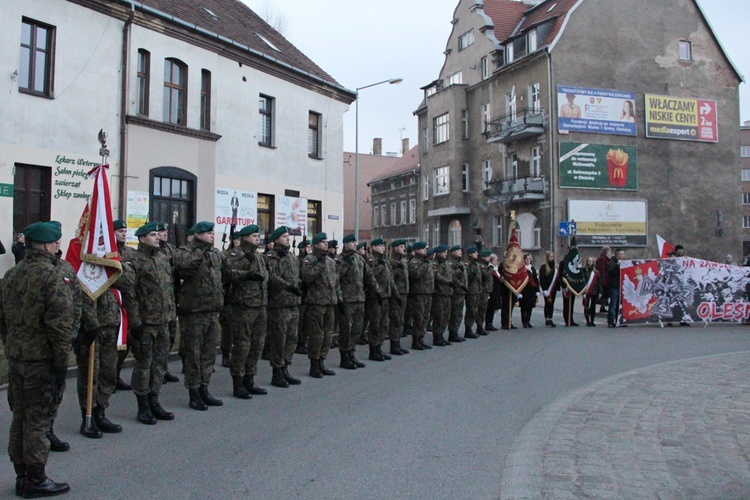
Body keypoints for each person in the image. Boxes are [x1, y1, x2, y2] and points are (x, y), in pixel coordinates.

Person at [0, 222, 73, 498]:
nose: (57, 246)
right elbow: (60, 324)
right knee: (38, 420)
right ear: (44, 245)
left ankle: (22, 476)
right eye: (55, 242)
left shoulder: (11, 274)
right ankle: (36, 478)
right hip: (41, 359)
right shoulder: (52, 276)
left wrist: (11, 344)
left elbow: (3, 319)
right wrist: (61, 361)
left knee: (20, 417)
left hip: (17, 356)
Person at [75, 222, 134, 438]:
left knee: (108, 372)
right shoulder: (85, 260)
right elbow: (80, 293)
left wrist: (113, 266)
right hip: (92, 326)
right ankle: (87, 416)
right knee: (90, 373)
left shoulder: (114, 259)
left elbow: (129, 282)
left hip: (112, 323)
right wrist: (90, 324)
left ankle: (101, 412)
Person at [125, 222, 176, 425]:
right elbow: (130, 294)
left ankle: (154, 399)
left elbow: (168, 289)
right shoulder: (133, 261)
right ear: (141, 238)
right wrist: (135, 322)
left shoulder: (162, 258)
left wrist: (171, 314)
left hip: (163, 320)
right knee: (144, 364)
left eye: (158, 234)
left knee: (160, 363)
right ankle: (142, 405)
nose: (157, 237)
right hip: (145, 322)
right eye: (152, 234)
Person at [173, 222, 225, 409]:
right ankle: (193, 391)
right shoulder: (184, 252)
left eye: (212, 233)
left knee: (208, 354)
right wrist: (199, 250)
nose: (212, 235)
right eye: (208, 233)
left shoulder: (214, 253)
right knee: (193, 354)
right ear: (197, 235)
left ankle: (204, 387)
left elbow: (224, 271)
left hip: (212, 310)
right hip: (194, 311)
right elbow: (184, 266)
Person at [223, 224, 270, 399]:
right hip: (243, 306)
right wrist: (246, 267)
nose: (257, 239)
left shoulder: (259, 256)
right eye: (254, 236)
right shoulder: (237, 254)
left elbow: (266, 276)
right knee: (242, 345)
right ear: (244, 238)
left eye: (258, 236)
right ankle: (238, 382)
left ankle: (250, 379)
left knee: (257, 344)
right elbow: (227, 272)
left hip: (260, 306)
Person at [265, 226, 303, 388]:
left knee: (292, 338)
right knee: (279, 340)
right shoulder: (271, 257)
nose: (288, 239)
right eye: (284, 236)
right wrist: (288, 287)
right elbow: (271, 277)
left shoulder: (292, 257)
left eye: (288, 236)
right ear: (276, 239)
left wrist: (300, 286)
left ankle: (286, 367)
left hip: (293, 304)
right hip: (279, 304)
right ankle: (277, 372)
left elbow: (297, 277)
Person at [300, 233, 342, 378]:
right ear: (316, 244)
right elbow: (306, 278)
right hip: (316, 302)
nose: (326, 244)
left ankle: (322, 362)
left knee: (328, 335)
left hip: (330, 302)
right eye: (323, 242)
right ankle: (314, 364)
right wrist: (318, 264)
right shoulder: (309, 259)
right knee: (316, 335)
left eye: (326, 242)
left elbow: (336, 282)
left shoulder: (330, 261)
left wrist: (339, 299)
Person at [337, 234, 378, 368]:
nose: (355, 244)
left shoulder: (359, 259)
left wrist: (377, 291)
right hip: (347, 299)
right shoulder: (340, 259)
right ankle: (344, 356)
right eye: (352, 242)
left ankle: (351, 353)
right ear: (345, 244)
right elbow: (336, 277)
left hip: (360, 299)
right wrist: (346, 264)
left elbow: (369, 276)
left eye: (355, 242)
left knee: (357, 328)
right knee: (346, 329)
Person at [366, 238, 399, 358]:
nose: (383, 248)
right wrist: (378, 292)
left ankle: (379, 346)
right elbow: (370, 276)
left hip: (386, 296)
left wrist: (396, 294)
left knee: (384, 323)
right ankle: (373, 349)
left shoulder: (384, 261)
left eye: (383, 246)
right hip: (375, 297)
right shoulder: (371, 260)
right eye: (380, 246)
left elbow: (390, 279)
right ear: (374, 247)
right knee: (375, 323)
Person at [156, 222, 180, 384]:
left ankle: (163, 369)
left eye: (165, 231)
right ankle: (155, 371)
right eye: (160, 231)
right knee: (156, 342)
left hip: (171, 299)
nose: (164, 234)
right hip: (156, 305)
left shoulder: (171, 249)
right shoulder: (151, 252)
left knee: (169, 337)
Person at [219, 230, 242, 368]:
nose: (239, 242)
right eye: (237, 240)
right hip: (227, 297)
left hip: (240, 297)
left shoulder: (246, 255)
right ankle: (226, 354)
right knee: (227, 329)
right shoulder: (225, 255)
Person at [408, 242, 434, 350]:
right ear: (416, 250)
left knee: (425, 317)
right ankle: (416, 340)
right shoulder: (414, 262)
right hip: (418, 293)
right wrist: (424, 264)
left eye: (425, 248)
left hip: (428, 292)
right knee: (419, 317)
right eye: (422, 249)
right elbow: (416, 275)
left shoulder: (426, 262)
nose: (425, 250)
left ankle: (421, 338)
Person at [387, 239, 410, 355]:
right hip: (395, 295)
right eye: (401, 246)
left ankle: (398, 343)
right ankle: (394, 344)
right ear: (395, 248)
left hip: (404, 293)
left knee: (400, 319)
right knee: (395, 319)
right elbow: (389, 279)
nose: (403, 249)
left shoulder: (404, 261)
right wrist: (397, 269)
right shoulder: (390, 262)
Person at [431, 245, 453, 346]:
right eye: (444, 252)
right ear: (438, 253)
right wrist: (447, 282)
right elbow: (436, 276)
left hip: (447, 292)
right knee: (438, 315)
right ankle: (437, 336)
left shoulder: (446, 263)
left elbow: (451, 276)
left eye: (446, 252)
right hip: (439, 292)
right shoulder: (434, 263)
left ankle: (441, 335)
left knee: (445, 316)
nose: (446, 254)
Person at [447, 245, 468, 342]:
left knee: (459, 314)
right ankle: (452, 333)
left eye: (460, 250)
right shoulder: (451, 263)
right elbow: (452, 276)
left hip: (462, 291)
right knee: (454, 313)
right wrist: (459, 271)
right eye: (458, 250)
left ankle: (456, 332)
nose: (460, 252)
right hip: (456, 291)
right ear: (453, 252)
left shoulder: (461, 263)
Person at [464, 246, 485, 336]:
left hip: (478, 290)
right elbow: (468, 277)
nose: (477, 254)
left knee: (476, 310)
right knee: (471, 310)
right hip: (471, 291)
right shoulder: (467, 264)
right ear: (470, 254)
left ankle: (476, 327)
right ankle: (468, 329)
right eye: (475, 252)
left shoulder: (477, 264)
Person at [538, 251, 559, 327]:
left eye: (552, 256)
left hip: (553, 289)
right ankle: (547, 318)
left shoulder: (555, 267)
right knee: (548, 303)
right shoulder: (543, 267)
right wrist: (544, 289)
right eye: (550, 256)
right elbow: (542, 279)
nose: (551, 258)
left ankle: (551, 318)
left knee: (552, 304)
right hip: (547, 289)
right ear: (547, 257)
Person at [519, 254, 539, 328]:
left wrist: (537, 290)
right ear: (524, 260)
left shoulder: (532, 268)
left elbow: (535, 280)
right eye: (527, 258)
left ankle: (528, 320)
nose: (528, 260)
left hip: (532, 290)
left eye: (529, 259)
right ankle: (524, 321)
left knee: (530, 306)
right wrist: (519, 292)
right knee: (524, 307)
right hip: (524, 290)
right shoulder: (521, 268)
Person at [582, 257, 602, 327]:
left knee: (593, 306)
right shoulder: (584, 271)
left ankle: (592, 320)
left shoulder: (596, 271)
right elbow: (582, 282)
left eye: (592, 261)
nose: (590, 262)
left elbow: (599, 282)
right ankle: (588, 320)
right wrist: (583, 292)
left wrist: (600, 292)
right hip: (586, 291)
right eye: (589, 261)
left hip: (594, 291)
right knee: (586, 306)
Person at [607, 249, 625, 328]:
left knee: (619, 305)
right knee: (613, 304)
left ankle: (619, 321)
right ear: (617, 255)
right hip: (614, 286)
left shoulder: (623, 263)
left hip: (620, 286)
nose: (623, 256)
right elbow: (611, 272)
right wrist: (617, 265)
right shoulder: (612, 262)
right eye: (622, 254)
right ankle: (611, 321)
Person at [478, 250, 494, 333]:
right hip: (482, 290)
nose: (489, 258)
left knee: (484, 309)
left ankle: (481, 325)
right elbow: (485, 275)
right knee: (481, 309)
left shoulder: (486, 265)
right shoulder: (481, 265)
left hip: (486, 290)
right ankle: (479, 326)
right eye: (488, 257)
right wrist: (491, 268)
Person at [485, 254, 503, 331]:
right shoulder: (490, 269)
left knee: (493, 308)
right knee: (490, 308)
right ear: (491, 261)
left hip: (496, 291)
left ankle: (490, 323)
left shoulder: (496, 269)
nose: (496, 262)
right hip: (492, 291)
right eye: (495, 260)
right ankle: (488, 323)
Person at [595, 246, 611, 314]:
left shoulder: (605, 258)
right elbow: (602, 271)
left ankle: (603, 307)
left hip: (605, 278)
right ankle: (602, 306)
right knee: (604, 294)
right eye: (609, 251)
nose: (610, 253)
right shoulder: (602, 259)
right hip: (603, 279)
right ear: (606, 251)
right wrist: (604, 280)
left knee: (605, 294)